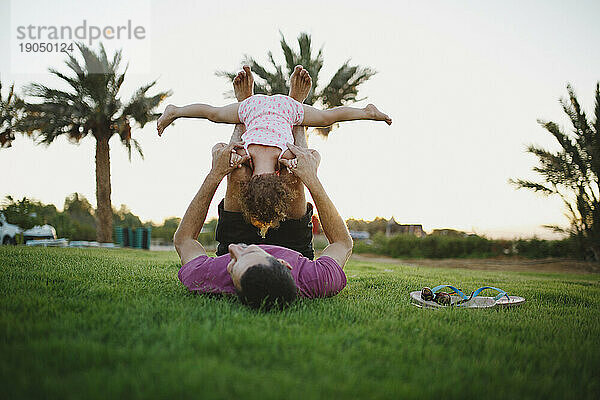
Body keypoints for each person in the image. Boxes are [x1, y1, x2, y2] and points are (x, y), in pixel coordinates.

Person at [158, 65, 391, 234]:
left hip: (286, 110)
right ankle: (366, 112)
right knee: (214, 114)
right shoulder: (244, 155)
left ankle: (175, 110)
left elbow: (312, 156)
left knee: (325, 117)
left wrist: (292, 162)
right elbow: (220, 148)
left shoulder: (284, 157)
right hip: (254, 109)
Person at [173, 136, 353, 310]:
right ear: (284, 263)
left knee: (239, 171)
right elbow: (342, 243)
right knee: (292, 175)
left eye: (232, 264)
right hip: (294, 248)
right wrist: (311, 178)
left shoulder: (208, 277)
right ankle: (297, 123)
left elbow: (184, 240)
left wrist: (216, 173)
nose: (233, 249)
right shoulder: (315, 279)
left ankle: (242, 118)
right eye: (247, 251)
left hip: (239, 237)